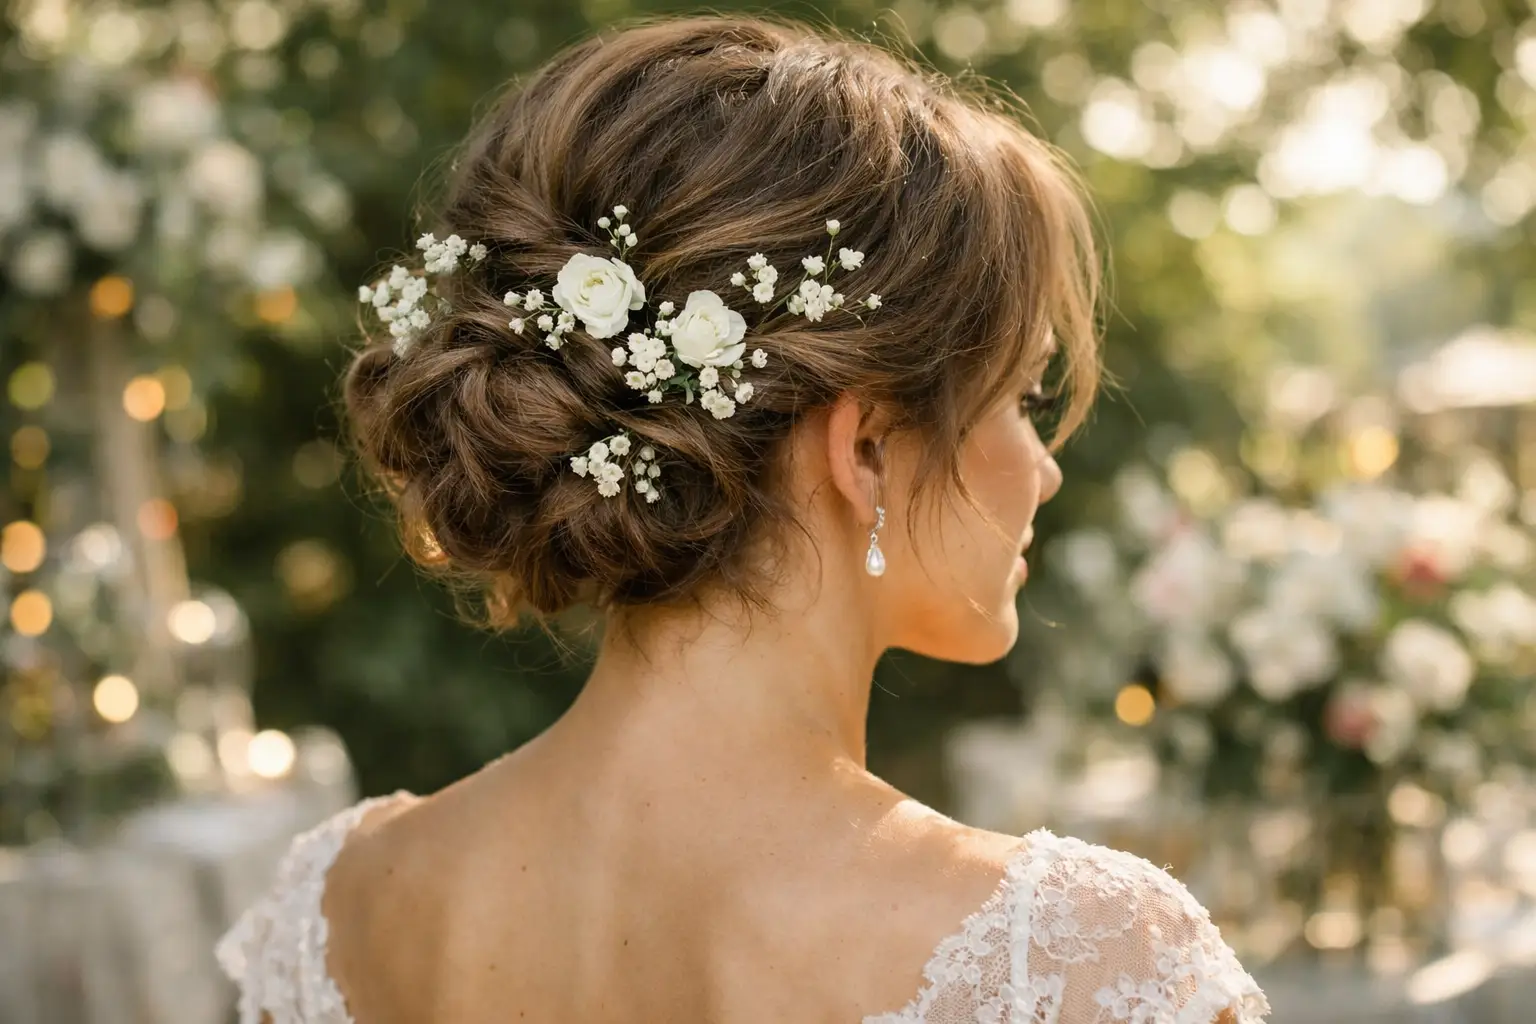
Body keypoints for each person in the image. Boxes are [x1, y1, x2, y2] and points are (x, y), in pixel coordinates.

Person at [216, 15, 1270, 1024]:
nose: (1040, 469)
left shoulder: (337, 914)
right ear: (863, 449)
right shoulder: (1077, 966)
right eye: (1022, 398)